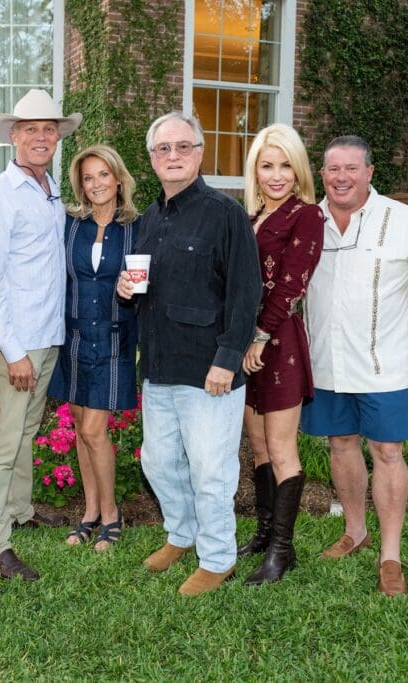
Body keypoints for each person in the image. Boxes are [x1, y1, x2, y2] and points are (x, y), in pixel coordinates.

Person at [117, 112, 261, 596]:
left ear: (199, 153)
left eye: (183, 147)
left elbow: (246, 292)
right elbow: (147, 289)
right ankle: (181, 534)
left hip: (208, 369)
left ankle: (218, 557)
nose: (172, 156)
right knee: (158, 462)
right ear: (152, 158)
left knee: (210, 469)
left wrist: (227, 357)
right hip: (159, 364)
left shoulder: (225, 214)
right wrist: (125, 290)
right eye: (163, 149)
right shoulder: (150, 219)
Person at [301, 135, 408, 596]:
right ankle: (355, 530)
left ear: (369, 172)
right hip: (325, 364)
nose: (341, 177)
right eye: (332, 169)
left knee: (387, 452)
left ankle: (390, 555)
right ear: (321, 174)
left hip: (384, 366)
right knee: (340, 444)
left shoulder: (404, 221)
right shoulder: (308, 222)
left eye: (351, 168)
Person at [0, 89, 82, 581]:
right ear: (13, 135)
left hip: (46, 336)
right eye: (31, 129)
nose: (41, 136)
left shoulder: (48, 187)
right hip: (16, 343)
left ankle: (19, 510)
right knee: (1, 440)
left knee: (26, 432)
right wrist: (12, 352)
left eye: (49, 129)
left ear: (57, 137)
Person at [238, 124, 324, 585]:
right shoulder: (248, 215)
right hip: (247, 342)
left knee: (281, 447)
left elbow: (291, 285)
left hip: (278, 341)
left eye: (285, 165)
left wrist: (258, 337)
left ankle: (281, 553)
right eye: (267, 165)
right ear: (255, 169)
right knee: (257, 444)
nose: (276, 175)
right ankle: (264, 532)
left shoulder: (306, 216)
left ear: (298, 170)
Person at [48, 145, 140, 551]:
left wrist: (132, 289)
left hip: (114, 336)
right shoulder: (70, 224)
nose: (96, 184)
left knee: (93, 429)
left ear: (118, 178)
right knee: (81, 432)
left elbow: (144, 280)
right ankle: (89, 511)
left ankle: (111, 514)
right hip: (73, 337)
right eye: (88, 178)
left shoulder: (137, 226)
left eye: (103, 175)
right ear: (80, 186)